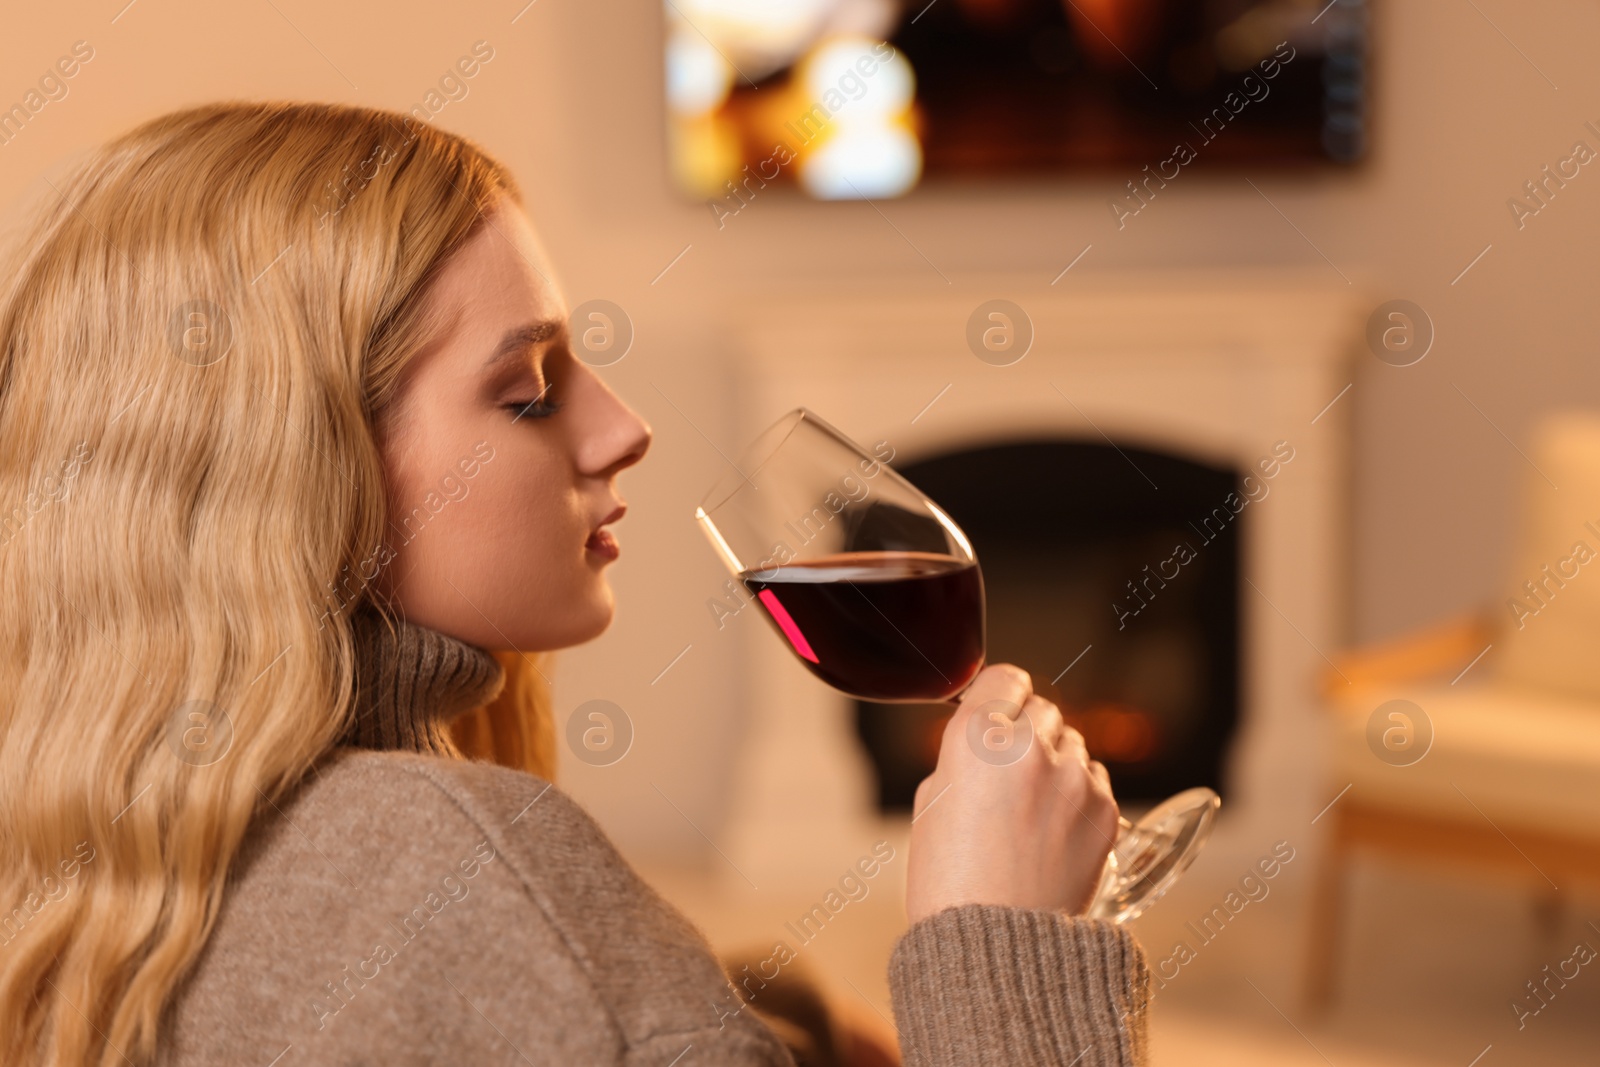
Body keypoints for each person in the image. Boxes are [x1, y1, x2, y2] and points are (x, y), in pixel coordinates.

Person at [0, 101, 1150, 1066]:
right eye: (530, 389)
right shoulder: (452, 856)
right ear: (296, 465)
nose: (625, 427)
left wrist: (767, 1016)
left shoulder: (115, 848)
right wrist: (1005, 941)